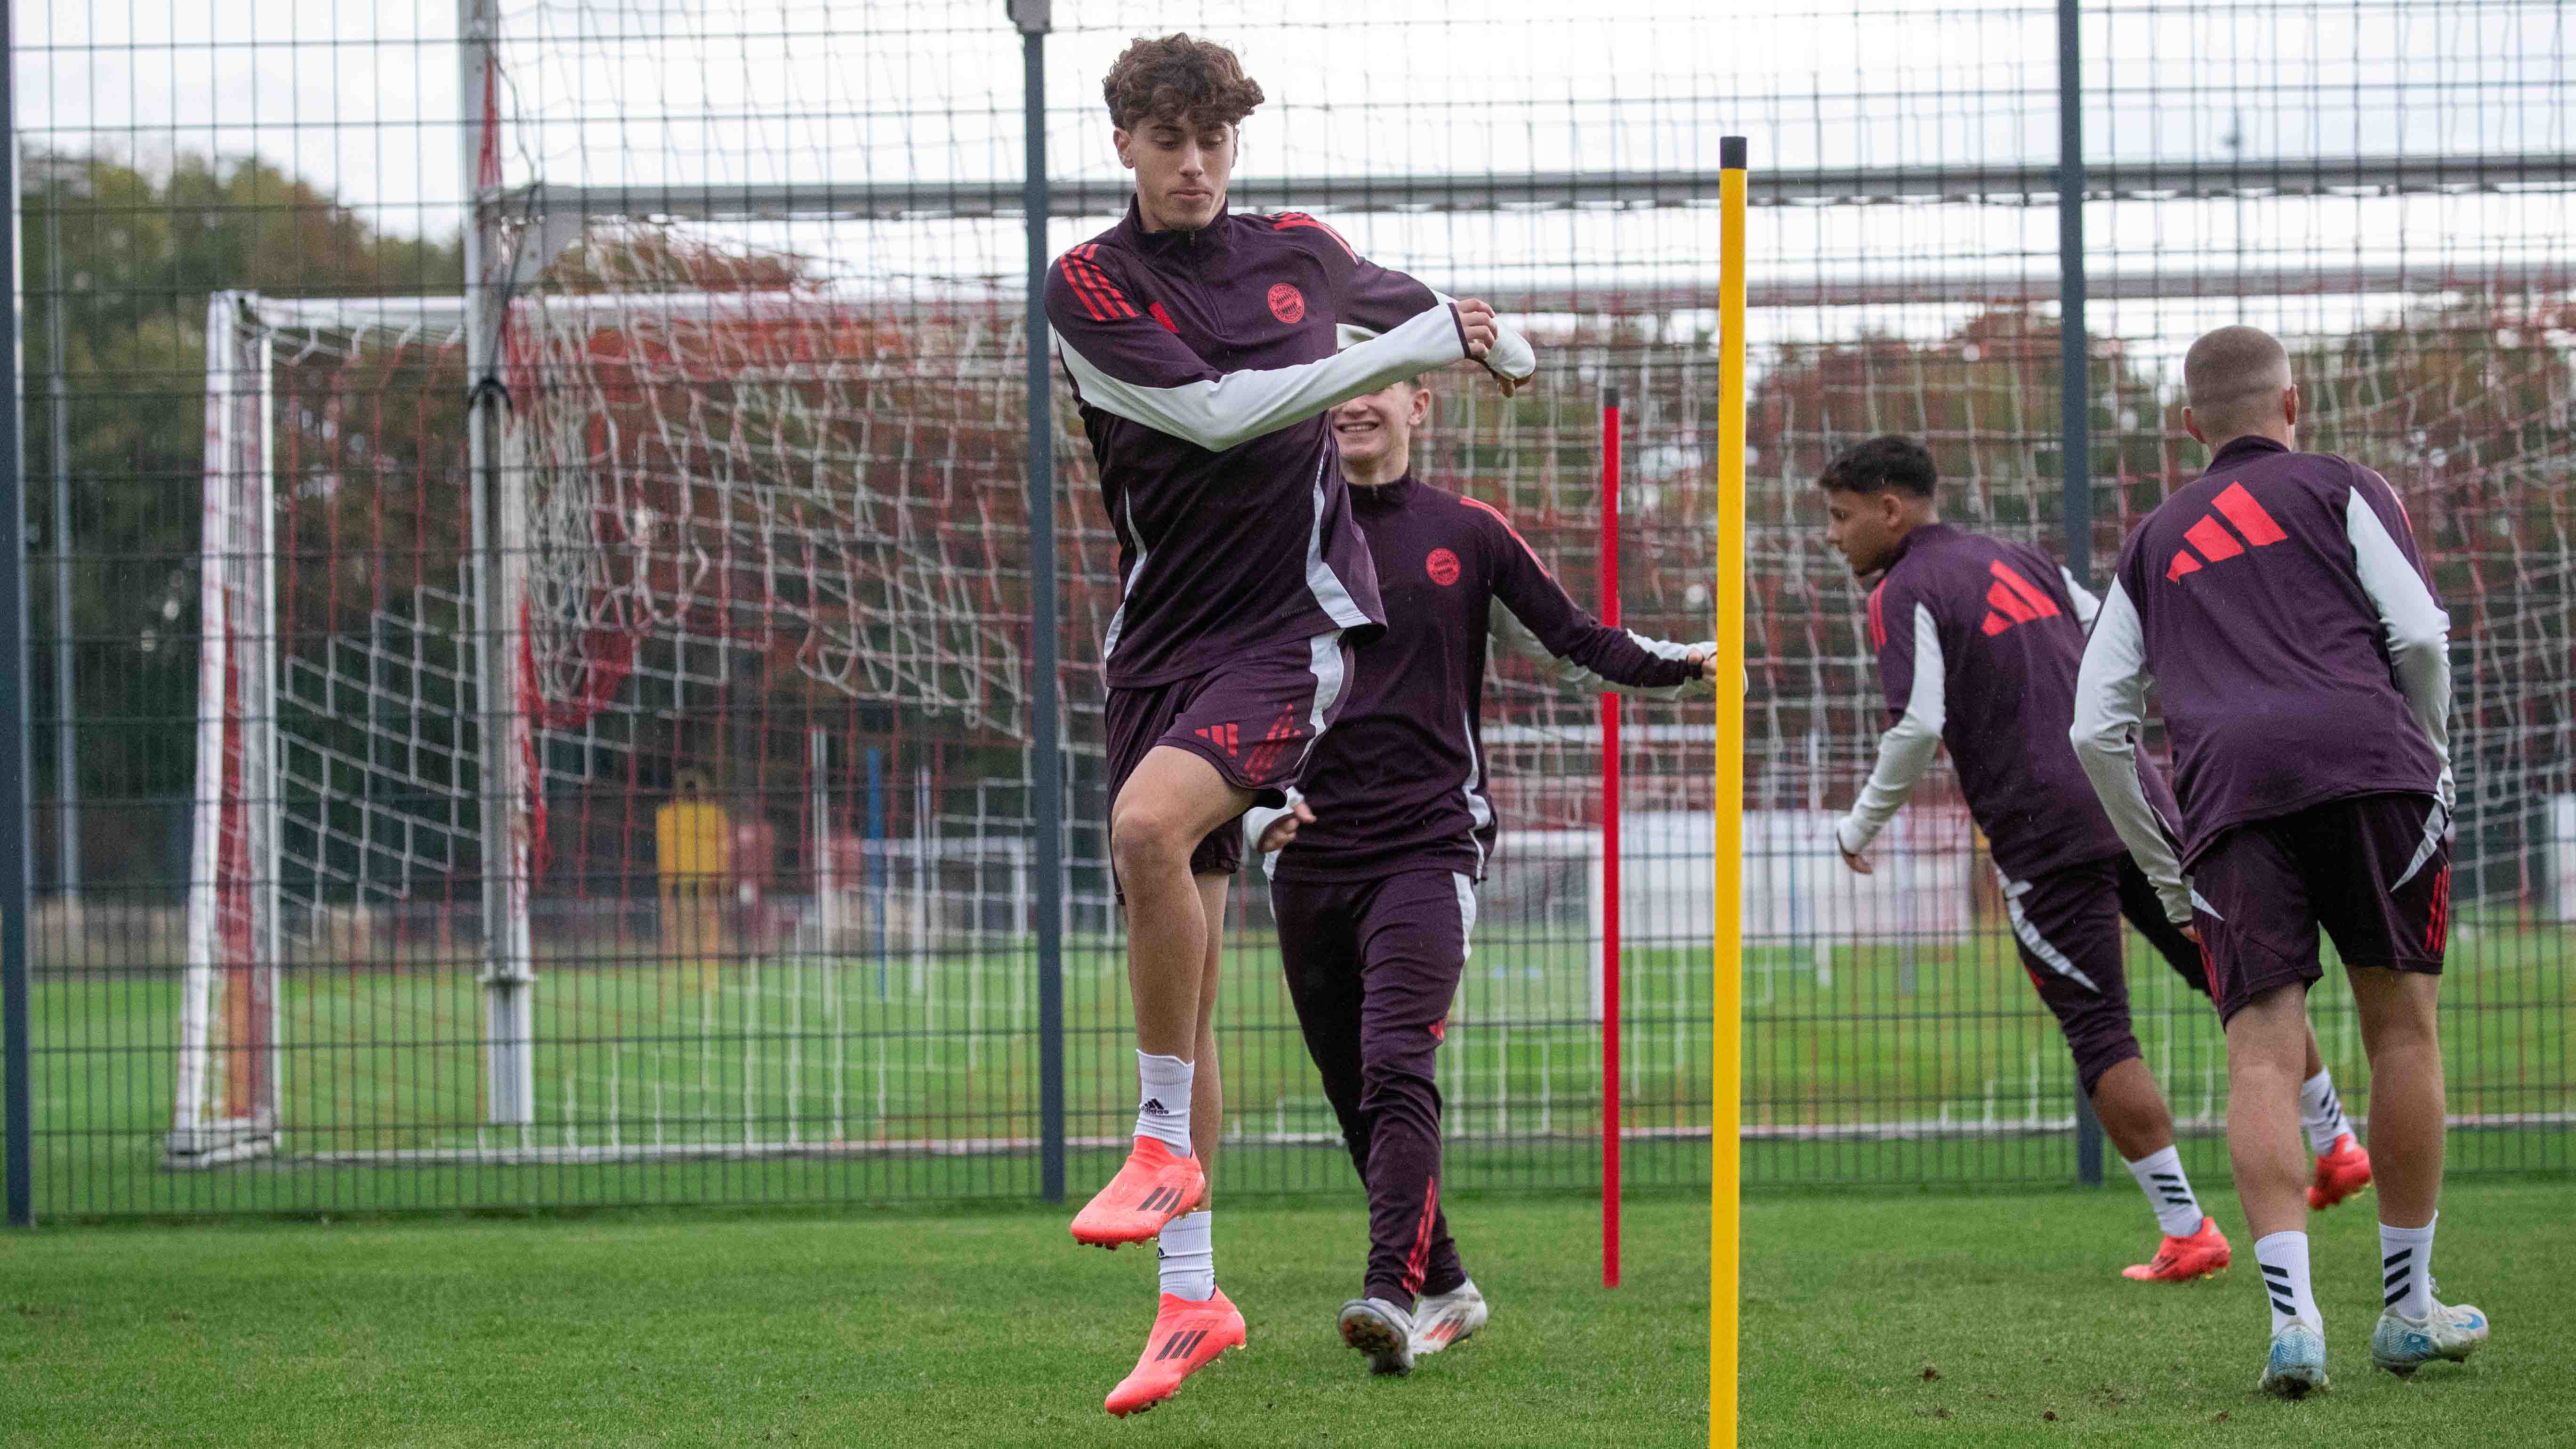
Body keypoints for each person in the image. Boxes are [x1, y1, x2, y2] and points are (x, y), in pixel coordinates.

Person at [1042, 33, 1538, 1417]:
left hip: (1293, 631)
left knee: (1152, 829)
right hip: (1156, 646)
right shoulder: (1089, 282)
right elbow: (1211, 418)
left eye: (1214, 139)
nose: (1193, 161)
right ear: (1125, 146)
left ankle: (1153, 1146)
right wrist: (1421, 339)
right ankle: (1193, 1295)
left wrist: (1485, 337)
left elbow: (1439, 311)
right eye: (1166, 138)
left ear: (1234, 146)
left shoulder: (1302, 250)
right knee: (1183, 974)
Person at [1817, 434, 2370, 1288]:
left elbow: (1918, 723)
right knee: (2236, 976)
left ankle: (2188, 1230)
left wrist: (1859, 827)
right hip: (2136, 798)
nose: (1834, 535)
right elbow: (2120, 630)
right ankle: (2335, 1141)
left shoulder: (1903, 591)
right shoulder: (2020, 556)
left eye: (1840, 516)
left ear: (1890, 510)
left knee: (2099, 1028)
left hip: (2043, 838)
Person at [1246, 374, 1713, 1376]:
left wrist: (1689, 664)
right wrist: (1250, 805)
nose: (1355, 404)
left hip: (1428, 843)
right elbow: (1219, 674)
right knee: (1352, 1099)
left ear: (1422, 404)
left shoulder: (1472, 531)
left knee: (1395, 1065)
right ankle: (1450, 1286)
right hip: (1305, 856)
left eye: (1380, 386)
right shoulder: (1272, 529)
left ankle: (1390, 1292)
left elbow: (1577, 644)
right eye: (1338, 386)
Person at [2071, 325, 2484, 1396]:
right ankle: (2407, 1309)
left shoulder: (2152, 540)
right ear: (2292, 405)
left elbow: (2092, 729)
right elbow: (2423, 637)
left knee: (2260, 1050)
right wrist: (2426, 754)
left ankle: (2295, 1329)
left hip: (2229, 802)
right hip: (2374, 771)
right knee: (2402, 1026)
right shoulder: (2346, 485)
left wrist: (2167, 864)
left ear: (2186, 427)